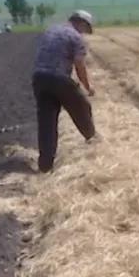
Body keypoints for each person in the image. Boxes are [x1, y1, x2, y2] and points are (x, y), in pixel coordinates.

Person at [31, 10, 97, 172]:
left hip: (39, 78)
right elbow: (79, 65)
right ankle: (94, 142)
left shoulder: (51, 30)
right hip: (59, 78)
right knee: (82, 107)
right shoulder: (75, 37)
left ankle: (45, 166)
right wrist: (88, 87)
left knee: (47, 122)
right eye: (85, 29)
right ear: (81, 23)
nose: (84, 33)